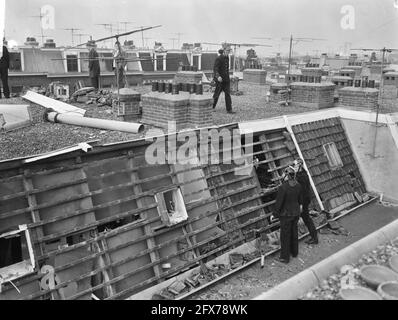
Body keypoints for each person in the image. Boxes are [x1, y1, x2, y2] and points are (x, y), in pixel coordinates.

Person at [273, 166, 303, 263]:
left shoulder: (283, 187)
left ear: (286, 175)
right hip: (296, 213)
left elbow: (279, 203)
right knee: (294, 232)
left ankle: (285, 257)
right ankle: (294, 252)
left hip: (286, 215)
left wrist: (275, 214)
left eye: (283, 174)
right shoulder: (298, 185)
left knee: (285, 236)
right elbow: (300, 200)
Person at [293, 158, 319, 245]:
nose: (294, 166)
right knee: (306, 218)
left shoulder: (302, 176)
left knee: (307, 219)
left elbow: (303, 192)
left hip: (303, 200)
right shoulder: (300, 174)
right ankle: (314, 237)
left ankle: (314, 238)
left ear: (300, 165)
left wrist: (300, 204)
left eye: (295, 165)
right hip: (303, 200)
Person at [213, 48, 234, 113]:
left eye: (229, 51)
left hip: (226, 80)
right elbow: (215, 69)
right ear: (224, 51)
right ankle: (211, 107)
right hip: (220, 80)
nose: (228, 52)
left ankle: (229, 109)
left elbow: (226, 69)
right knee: (216, 94)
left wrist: (228, 77)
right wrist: (218, 76)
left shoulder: (227, 58)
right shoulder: (219, 58)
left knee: (227, 94)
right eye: (227, 51)